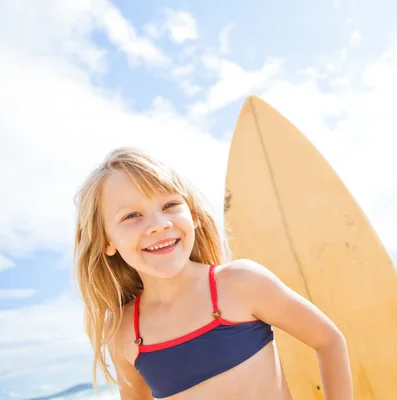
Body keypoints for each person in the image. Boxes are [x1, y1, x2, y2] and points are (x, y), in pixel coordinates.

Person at [73, 147, 353, 399]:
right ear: (106, 241)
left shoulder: (241, 283)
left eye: (169, 205)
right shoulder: (123, 332)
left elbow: (328, 341)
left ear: (192, 215)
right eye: (131, 216)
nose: (158, 225)